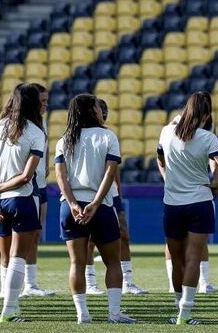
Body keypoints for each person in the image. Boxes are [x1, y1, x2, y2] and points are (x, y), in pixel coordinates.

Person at [54, 94, 134, 324]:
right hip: (101, 207)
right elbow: (111, 173)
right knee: (112, 262)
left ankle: (82, 314)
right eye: (99, 107)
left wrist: (72, 204)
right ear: (92, 111)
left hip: (70, 209)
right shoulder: (108, 136)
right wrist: (96, 203)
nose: (102, 110)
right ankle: (114, 313)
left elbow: (60, 176)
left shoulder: (64, 140)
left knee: (76, 263)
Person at [156, 92, 218, 324]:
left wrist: (168, 179)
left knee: (177, 259)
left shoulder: (166, 131)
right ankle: (185, 314)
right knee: (193, 259)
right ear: (207, 114)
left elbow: (160, 160)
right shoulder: (207, 138)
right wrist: (217, 185)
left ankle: (177, 305)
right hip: (200, 201)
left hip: (172, 203)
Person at [0, 83, 46, 323]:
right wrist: (2, 187)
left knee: (5, 257)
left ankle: (10, 306)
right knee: (18, 257)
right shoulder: (36, 133)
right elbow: (27, 176)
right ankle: (10, 310)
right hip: (22, 200)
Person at [83, 98, 146, 296]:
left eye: (105, 110)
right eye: (100, 110)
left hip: (111, 194)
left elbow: (114, 168)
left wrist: (118, 190)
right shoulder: (81, 136)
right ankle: (90, 283)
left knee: (124, 235)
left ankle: (128, 281)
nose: (103, 114)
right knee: (89, 240)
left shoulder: (109, 135)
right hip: (89, 193)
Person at [21, 83, 55, 298]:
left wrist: (46, 168)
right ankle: (11, 284)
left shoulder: (41, 122)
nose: (46, 105)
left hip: (41, 184)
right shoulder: (20, 125)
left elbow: (46, 148)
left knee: (35, 234)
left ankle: (30, 284)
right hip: (23, 185)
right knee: (16, 238)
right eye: (42, 101)